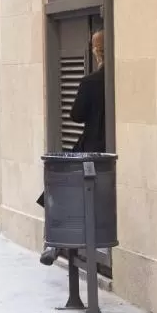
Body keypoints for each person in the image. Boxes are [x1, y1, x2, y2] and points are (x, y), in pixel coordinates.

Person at [40, 29, 106, 266]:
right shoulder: (121, 78)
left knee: (60, 188)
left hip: (90, 150)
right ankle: (55, 242)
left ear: (97, 51)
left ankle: (54, 242)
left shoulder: (91, 82)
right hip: (105, 150)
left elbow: (76, 114)